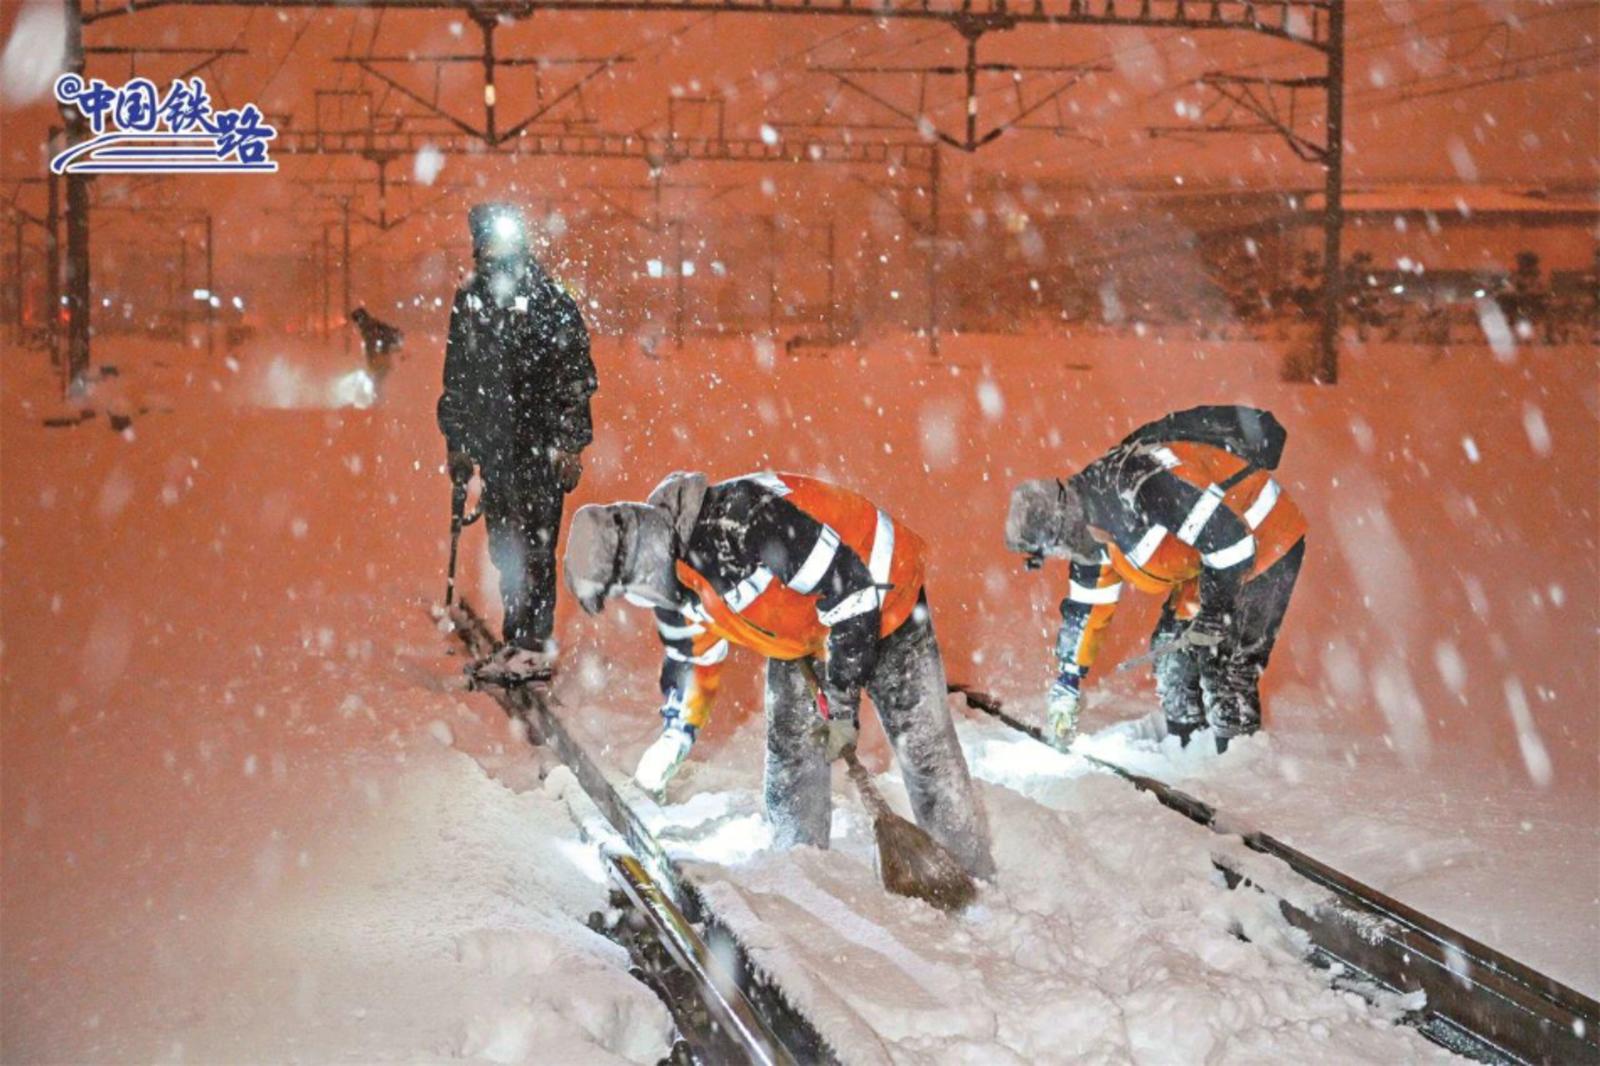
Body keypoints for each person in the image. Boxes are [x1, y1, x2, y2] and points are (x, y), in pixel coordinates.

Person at [562, 471, 996, 880]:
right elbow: (694, 660)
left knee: (921, 741)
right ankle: (800, 864)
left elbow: (852, 591)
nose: (633, 601)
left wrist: (841, 706)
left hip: (884, 591)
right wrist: (676, 737)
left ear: (640, 559)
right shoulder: (675, 586)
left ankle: (965, 871)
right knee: (792, 745)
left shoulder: (745, 521)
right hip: (806, 626)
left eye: (625, 589)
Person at [1005, 406, 1306, 754]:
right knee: (1172, 660)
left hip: (1264, 540)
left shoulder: (1143, 485)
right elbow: (1088, 610)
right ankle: (1188, 752)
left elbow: (1231, 543)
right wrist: (1067, 683)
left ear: (1064, 527)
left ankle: (1236, 765)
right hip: (1209, 566)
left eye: (1055, 549)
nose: (1061, 556)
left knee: (1226, 670)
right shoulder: (1090, 537)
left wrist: (1215, 613)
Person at [437, 203, 597, 680]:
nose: (498, 249)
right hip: (496, 447)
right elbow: (458, 376)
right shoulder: (471, 300)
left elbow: (575, 375)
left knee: (536, 546)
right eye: (490, 240)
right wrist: (458, 443)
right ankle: (518, 639)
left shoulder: (549, 297)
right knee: (506, 547)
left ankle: (533, 645)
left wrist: (570, 443)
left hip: (541, 446)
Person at [349, 306, 404, 386]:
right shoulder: (373, 323)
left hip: (382, 358)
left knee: (378, 383)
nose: (356, 325)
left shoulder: (368, 327)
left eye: (356, 322)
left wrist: (371, 363)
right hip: (385, 354)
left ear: (359, 320)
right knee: (381, 381)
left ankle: (381, 393)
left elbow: (370, 346)